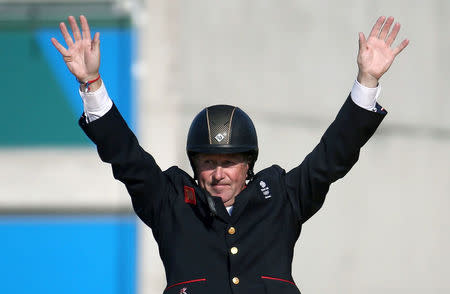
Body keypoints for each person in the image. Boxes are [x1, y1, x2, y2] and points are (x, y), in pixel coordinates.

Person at [52, 15, 408, 294]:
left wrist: (367, 81)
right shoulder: (171, 202)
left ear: (248, 165)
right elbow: (127, 158)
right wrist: (92, 85)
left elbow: (333, 156)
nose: (218, 173)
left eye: (228, 163)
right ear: (195, 166)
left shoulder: (282, 199)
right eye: (208, 163)